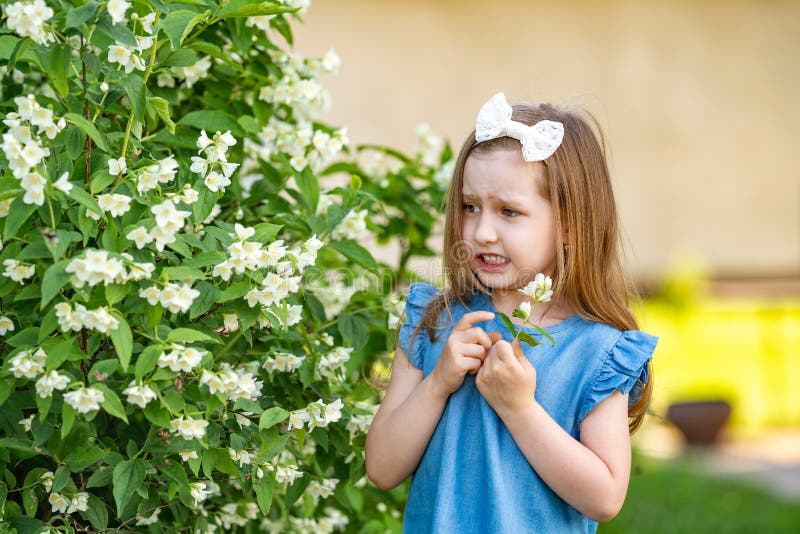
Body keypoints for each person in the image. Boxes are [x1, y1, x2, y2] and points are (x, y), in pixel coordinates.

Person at [365, 92, 658, 533]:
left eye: (509, 211)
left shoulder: (597, 352)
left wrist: (520, 409)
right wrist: (437, 384)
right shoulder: (433, 321)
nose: (482, 231)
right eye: (470, 207)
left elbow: (605, 497)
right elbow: (382, 468)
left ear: (570, 225)